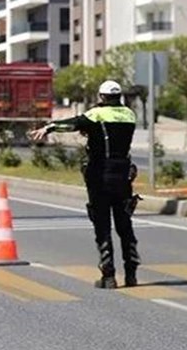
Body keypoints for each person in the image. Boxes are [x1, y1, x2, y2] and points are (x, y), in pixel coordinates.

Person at [29, 80, 140, 289]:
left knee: (102, 225)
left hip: (100, 175)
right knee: (125, 225)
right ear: (119, 97)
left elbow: (73, 123)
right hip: (123, 175)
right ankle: (132, 274)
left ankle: (109, 276)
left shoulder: (96, 114)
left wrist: (49, 127)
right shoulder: (130, 115)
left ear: (102, 97)